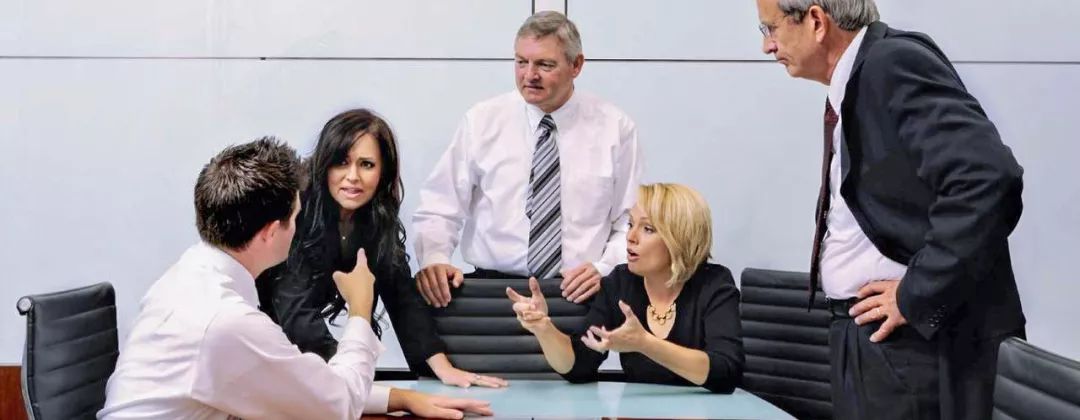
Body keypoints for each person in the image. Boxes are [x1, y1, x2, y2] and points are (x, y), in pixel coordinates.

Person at [754, 0, 1025, 418]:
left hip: (909, 346)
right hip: (872, 340)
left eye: (770, 29)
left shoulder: (890, 62)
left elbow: (988, 178)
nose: (767, 46)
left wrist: (916, 293)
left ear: (816, 21)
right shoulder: (857, 79)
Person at [99, 138, 491, 420]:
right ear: (272, 231)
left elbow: (295, 387)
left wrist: (400, 398)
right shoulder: (227, 323)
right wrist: (359, 310)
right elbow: (333, 404)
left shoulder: (187, 277)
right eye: (295, 217)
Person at [256, 109, 506, 388]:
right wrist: (348, 376)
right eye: (341, 163)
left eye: (366, 164)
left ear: (383, 171)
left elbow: (401, 297)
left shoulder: (375, 219)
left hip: (292, 356)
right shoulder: (296, 213)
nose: (353, 176)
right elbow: (297, 314)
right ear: (324, 165)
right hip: (252, 341)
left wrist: (443, 368)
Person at [412, 10, 643, 307]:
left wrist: (605, 268)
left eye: (545, 65)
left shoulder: (615, 128)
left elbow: (630, 221)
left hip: (579, 293)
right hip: (490, 293)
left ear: (576, 65)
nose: (529, 75)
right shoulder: (482, 121)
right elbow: (440, 206)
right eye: (521, 62)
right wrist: (434, 258)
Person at [506, 183, 744, 393]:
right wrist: (544, 328)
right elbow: (579, 365)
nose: (630, 237)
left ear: (680, 238)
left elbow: (726, 372)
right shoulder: (620, 282)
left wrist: (645, 344)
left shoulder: (714, 284)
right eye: (631, 224)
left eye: (647, 229)